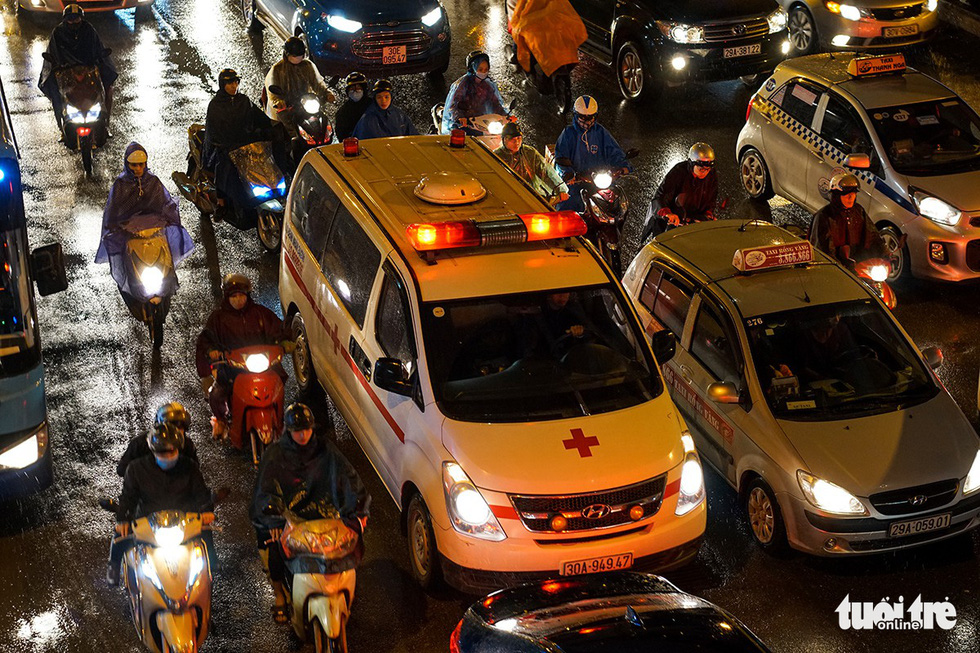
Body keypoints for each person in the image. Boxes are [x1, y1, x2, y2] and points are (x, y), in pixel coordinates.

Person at [251, 403, 370, 623]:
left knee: (348, 549)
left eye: (307, 429)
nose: (303, 434)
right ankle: (279, 595)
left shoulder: (326, 450)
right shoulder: (275, 455)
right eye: (298, 430)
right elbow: (266, 490)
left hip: (327, 518)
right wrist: (275, 519)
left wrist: (357, 510)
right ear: (288, 430)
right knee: (275, 552)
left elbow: (348, 478)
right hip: (292, 521)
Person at [108, 422, 215, 585]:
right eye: (162, 453)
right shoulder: (136, 469)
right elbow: (128, 498)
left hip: (183, 522)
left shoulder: (190, 467)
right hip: (148, 522)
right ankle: (113, 567)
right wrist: (122, 520)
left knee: (206, 537)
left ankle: (212, 566)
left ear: (179, 449)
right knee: (120, 537)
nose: (167, 456)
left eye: (172, 452)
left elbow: (201, 493)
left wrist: (206, 510)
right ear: (153, 451)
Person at [195, 273, 289, 440]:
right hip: (232, 367)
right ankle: (222, 421)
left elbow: (278, 330)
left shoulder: (260, 314)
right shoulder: (218, 319)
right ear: (227, 297)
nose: (238, 300)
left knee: (279, 384)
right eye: (234, 296)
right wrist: (211, 351)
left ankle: (279, 418)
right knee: (217, 394)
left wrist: (284, 343)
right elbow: (206, 340)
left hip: (263, 365)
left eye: (241, 296)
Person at [95, 143, 194, 297]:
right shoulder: (120, 185)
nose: (138, 169)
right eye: (134, 165)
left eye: (141, 165)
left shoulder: (153, 182)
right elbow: (113, 210)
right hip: (131, 236)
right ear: (127, 165)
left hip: (154, 234)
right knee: (123, 258)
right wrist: (116, 225)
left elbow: (164, 203)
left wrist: (167, 217)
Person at [38, 4, 118, 135]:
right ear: (65, 20)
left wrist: (98, 60)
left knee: (108, 86)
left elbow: (97, 47)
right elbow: (53, 52)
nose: (74, 22)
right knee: (54, 92)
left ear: (81, 18)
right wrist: (57, 65)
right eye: (70, 19)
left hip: (89, 70)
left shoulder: (88, 30)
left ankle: (105, 123)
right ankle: (61, 127)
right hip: (66, 72)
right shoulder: (58, 32)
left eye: (76, 19)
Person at [203, 68, 273, 212]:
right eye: (229, 83)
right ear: (223, 85)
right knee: (225, 168)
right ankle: (221, 203)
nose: (234, 86)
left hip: (245, 145)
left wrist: (271, 129)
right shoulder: (215, 106)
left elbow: (260, 119)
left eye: (235, 82)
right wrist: (224, 144)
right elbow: (214, 132)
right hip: (225, 148)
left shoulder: (244, 101)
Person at [554, 96, 631, 212]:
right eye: (582, 117)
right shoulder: (568, 134)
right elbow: (561, 158)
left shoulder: (601, 132)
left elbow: (613, 151)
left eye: (590, 117)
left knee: (617, 206)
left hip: (599, 180)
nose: (586, 120)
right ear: (576, 115)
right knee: (568, 207)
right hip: (577, 182)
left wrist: (623, 166)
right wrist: (568, 174)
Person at [642, 142, 719, 241]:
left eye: (708, 169)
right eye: (701, 169)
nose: (705, 172)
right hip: (672, 221)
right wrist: (667, 213)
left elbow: (711, 198)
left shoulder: (712, 175)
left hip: (694, 222)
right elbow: (661, 196)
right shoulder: (678, 172)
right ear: (692, 164)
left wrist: (708, 215)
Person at [809, 173, 887, 269]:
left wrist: (885, 253)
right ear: (836, 195)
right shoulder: (824, 216)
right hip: (837, 270)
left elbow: (872, 235)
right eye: (846, 195)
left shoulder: (858, 211)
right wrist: (839, 267)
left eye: (853, 194)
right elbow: (824, 250)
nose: (850, 198)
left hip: (859, 267)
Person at [264, 37, 336, 139]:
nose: (297, 58)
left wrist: (327, 93)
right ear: (287, 54)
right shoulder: (277, 70)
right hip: (287, 107)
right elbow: (272, 92)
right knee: (286, 132)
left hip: (305, 103)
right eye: (294, 56)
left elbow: (317, 83)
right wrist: (278, 102)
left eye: (300, 55)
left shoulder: (308, 65)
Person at [116, 402, 198, 478]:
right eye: (171, 427)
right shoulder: (140, 443)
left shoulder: (187, 445)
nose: (176, 432)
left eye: (180, 427)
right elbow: (122, 470)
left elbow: (193, 470)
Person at [493, 122, 568, 202]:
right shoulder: (496, 156)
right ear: (504, 140)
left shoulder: (529, 152)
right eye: (512, 140)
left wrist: (560, 189)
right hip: (508, 199)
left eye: (519, 138)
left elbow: (545, 171)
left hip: (532, 196)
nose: (517, 143)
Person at [441, 50, 508, 135]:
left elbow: (495, 103)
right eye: (480, 69)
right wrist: (460, 117)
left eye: (486, 69)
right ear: (472, 68)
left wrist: (505, 116)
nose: (483, 72)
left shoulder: (488, 85)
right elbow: (453, 105)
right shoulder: (462, 85)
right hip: (463, 123)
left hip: (481, 123)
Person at [351, 80, 419, 140]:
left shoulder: (400, 115)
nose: (383, 101)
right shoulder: (367, 119)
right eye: (379, 97)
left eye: (386, 97)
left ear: (391, 97)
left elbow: (415, 138)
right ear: (375, 99)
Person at [334, 71, 370, 141]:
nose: (355, 91)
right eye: (352, 89)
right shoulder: (343, 111)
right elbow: (341, 135)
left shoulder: (372, 106)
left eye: (358, 88)